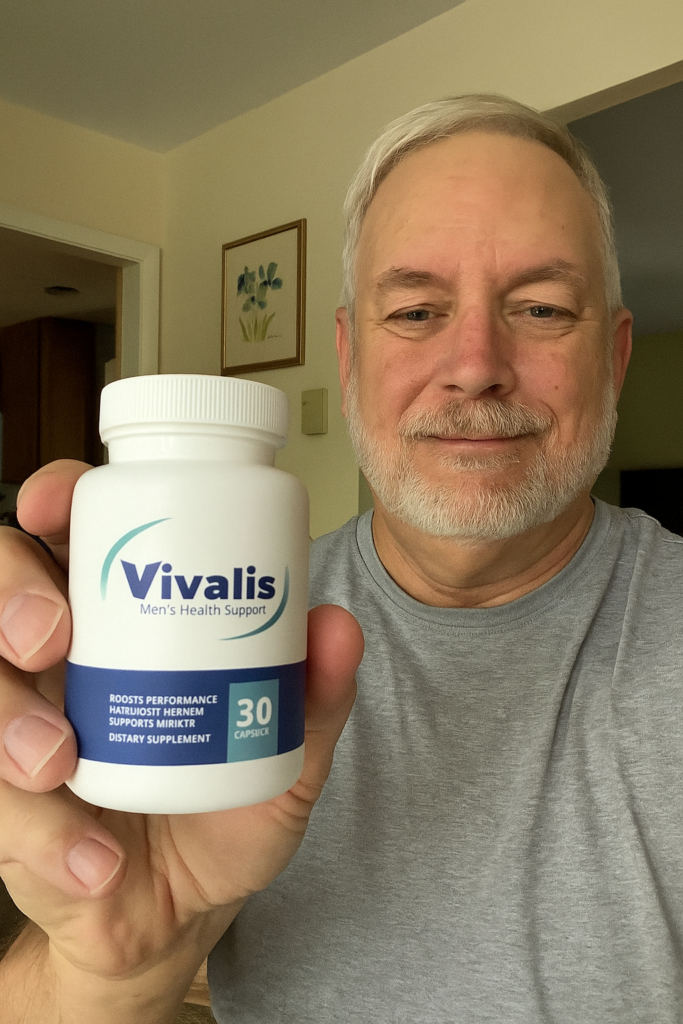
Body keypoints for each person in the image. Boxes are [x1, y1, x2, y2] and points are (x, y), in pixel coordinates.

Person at [1, 93, 682, 1022]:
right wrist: (112, 971)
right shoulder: (213, 644)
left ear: (614, 356)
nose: (474, 363)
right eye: (414, 310)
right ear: (348, 356)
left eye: (540, 306)